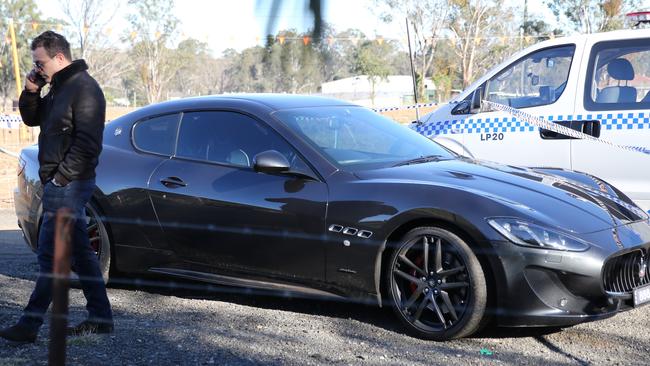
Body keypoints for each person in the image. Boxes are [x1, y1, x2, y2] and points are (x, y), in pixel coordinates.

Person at [0, 31, 113, 344]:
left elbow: (88, 144)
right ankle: (101, 317)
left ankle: (29, 324)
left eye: (40, 62)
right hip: (59, 182)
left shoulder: (85, 88)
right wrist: (31, 90)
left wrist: (61, 179)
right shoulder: (58, 87)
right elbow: (32, 118)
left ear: (59, 57)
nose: (37, 68)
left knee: (50, 256)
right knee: (81, 252)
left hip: (69, 184)